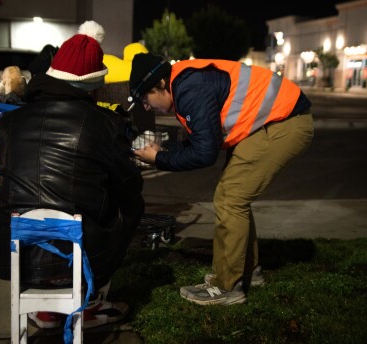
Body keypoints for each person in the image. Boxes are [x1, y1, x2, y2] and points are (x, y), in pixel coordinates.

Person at [0, 20, 145, 329]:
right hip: (81, 256)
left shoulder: (6, 124)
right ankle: (89, 297)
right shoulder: (106, 124)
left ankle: (45, 309)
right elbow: (130, 185)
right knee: (128, 201)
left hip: (10, 252)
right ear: (92, 84)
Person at [129, 54, 314, 306]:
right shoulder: (185, 81)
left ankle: (226, 286)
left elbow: (205, 153)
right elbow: (205, 140)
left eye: (144, 99)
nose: (146, 107)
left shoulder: (188, 88)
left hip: (284, 121)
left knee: (230, 198)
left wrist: (159, 159)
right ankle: (248, 270)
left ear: (160, 85)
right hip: (276, 119)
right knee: (233, 196)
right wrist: (164, 153)